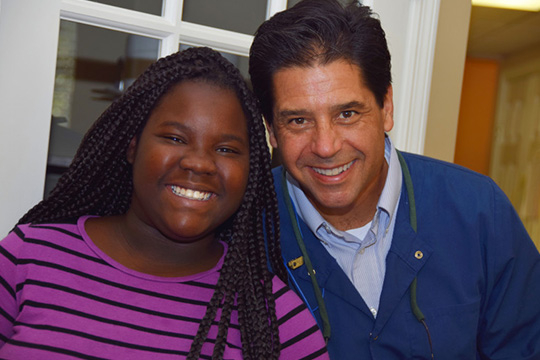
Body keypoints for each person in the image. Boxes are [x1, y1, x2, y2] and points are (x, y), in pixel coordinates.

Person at [249, 1, 540, 359]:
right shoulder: (244, 230)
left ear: (386, 106)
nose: (325, 146)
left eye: (348, 113)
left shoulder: (480, 212)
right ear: (271, 131)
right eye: (298, 121)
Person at [0, 47, 329, 359]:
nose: (199, 164)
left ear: (252, 171)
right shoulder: (27, 257)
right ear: (132, 146)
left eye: (227, 149)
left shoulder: (276, 320)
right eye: (175, 138)